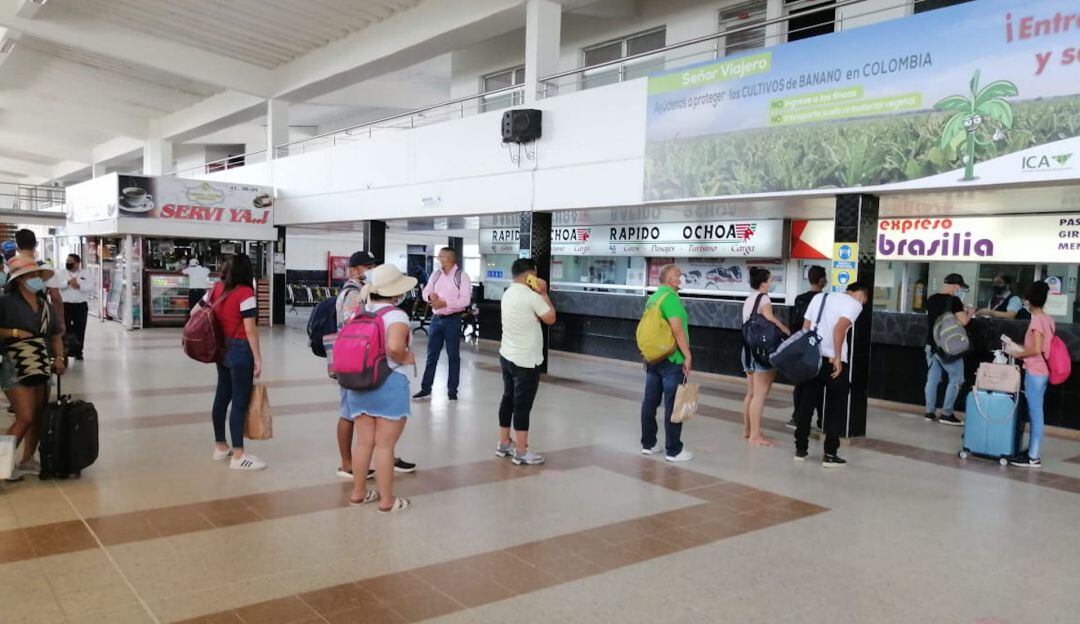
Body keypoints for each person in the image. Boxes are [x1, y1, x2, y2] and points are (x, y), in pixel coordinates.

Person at [333, 251, 415, 481]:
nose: (369, 270)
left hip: (364, 363)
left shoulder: (365, 296)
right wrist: (406, 357)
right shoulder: (352, 295)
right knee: (348, 415)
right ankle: (348, 463)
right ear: (354, 270)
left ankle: (379, 460)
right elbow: (355, 332)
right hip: (357, 364)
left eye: (372, 265)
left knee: (367, 433)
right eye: (366, 266)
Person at [0, 257, 65, 479]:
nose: (35, 279)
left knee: (38, 416)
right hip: (15, 363)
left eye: (37, 275)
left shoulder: (45, 305)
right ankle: (1, 466)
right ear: (19, 280)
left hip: (41, 363)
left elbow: (55, 335)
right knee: (25, 416)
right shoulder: (6, 303)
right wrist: (15, 333)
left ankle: (28, 459)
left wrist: (59, 358)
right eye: (30, 275)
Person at [793, 281, 870, 468]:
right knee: (836, 406)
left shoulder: (820, 297)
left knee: (807, 402)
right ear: (860, 295)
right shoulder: (854, 304)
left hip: (812, 357)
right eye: (865, 300)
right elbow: (840, 328)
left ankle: (800, 449)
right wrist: (836, 357)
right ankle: (830, 454)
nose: (863, 304)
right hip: (832, 360)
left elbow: (805, 327)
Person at [205, 254, 266, 471]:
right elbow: (250, 330)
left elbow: (197, 311)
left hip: (221, 350)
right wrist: (258, 359)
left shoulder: (216, 288)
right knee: (239, 403)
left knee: (222, 397)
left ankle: (220, 446)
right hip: (240, 351)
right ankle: (239, 455)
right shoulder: (246, 293)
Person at [495, 258, 555, 466]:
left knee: (508, 398)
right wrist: (544, 293)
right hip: (526, 361)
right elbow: (550, 318)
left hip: (507, 355)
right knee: (522, 406)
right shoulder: (532, 296)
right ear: (531, 274)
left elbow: (534, 318)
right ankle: (521, 451)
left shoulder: (508, 293)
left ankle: (504, 443)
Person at [639, 264, 693, 462]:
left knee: (650, 402)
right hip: (672, 359)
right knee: (673, 405)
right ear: (670, 279)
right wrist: (687, 355)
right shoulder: (670, 298)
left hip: (653, 358)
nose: (683, 277)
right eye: (680, 275)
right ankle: (674, 450)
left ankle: (649, 444)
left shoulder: (654, 298)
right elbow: (677, 329)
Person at [1003, 281, 1054, 469]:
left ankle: (1033, 456)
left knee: (1035, 414)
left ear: (1030, 299)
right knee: (1036, 413)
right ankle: (1032, 451)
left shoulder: (1036, 320)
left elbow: (1036, 348)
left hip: (1035, 371)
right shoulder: (1048, 319)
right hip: (1043, 371)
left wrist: (1016, 353)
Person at [413, 248, 471, 401]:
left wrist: (444, 302)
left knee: (453, 356)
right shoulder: (436, 274)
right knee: (432, 355)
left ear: (449, 258)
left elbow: (465, 301)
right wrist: (430, 296)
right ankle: (426, 388)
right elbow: (425, 292)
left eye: (441, 256)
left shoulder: (462, 276)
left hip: (453, 319)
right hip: (436, 319)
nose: (438, 258)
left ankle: (452, 391)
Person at [740, 267, 790, 447]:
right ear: (763, 283)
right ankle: (755, 435)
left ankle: (747, 430)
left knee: (751, 393)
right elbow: (769, 318)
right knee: (760, 395)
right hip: (762, 352)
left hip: (748, 349)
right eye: (770, 280)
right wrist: (785, 330)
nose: (771, 283)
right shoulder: (764, 298)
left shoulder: (750, 298)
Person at [923, 273, 971, 426]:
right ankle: (946, 413)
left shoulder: (931, 299)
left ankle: (929, 412)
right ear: (955, 286)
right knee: (957, 379)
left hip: (931, 345)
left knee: (933, 379)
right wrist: (970, 311)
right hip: (948, 348)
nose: (959, 290)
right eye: (959, 287)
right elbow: (963, 321)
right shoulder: (954, 300)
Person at [787, 265, 827, 430]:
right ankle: (822, 419)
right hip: (819, 346)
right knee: (819, 385)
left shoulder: (799, 299)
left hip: (801, 346)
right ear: (821, 280)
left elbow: (794, 324)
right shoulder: (825, 299)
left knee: (801, 384)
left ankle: (797, 416)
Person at [15, 229, 64, 332]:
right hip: (40, 316)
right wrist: (60, 322)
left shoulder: (11, 269)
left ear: (17, 247)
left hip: (14, 317)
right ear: (35, 245)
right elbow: (55, 297)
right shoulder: (45, 268)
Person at [57, 254, 90, 361]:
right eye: (67, 261)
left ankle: (78, 351)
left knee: (80, 328)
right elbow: (58, 286)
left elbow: (91, 286)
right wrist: (68, 282)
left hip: (81, 305)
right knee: (66, 328)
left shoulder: (85, 273)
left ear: (77, 263)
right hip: (66, 305)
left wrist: (79, 286)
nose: (68, 263)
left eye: (70, 261)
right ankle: (65, 352)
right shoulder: (61, 273)